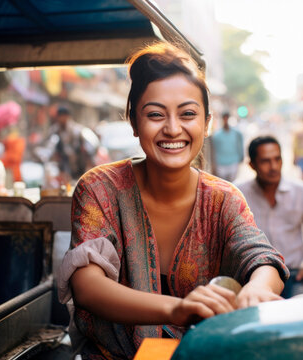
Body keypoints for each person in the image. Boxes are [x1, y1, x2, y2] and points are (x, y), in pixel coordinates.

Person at [57, 42, 288, 359]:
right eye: (155, 114)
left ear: (206, 124)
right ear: (134, 122)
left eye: (188, 114)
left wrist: (257, 290)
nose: (173, 128)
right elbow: (86, 286)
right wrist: (177, 309)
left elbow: (260, 257)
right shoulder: (99, 188)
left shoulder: (224, 199)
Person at [237, 135, 303, 299]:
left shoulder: (302, 192)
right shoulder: (238, 194)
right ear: (252, 165)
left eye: (277, 159)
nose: (273, 166)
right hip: (253, 278)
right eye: (265, 161)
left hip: (295, 274)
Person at [210, 111, 244, 182]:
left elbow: (240, 146)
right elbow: (213, 151)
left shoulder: (236, 133)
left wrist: (241, 157)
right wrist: (213, 165)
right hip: (221, 165)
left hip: (233, 163)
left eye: (227, 118)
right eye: (224, 118)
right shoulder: (217, 135)